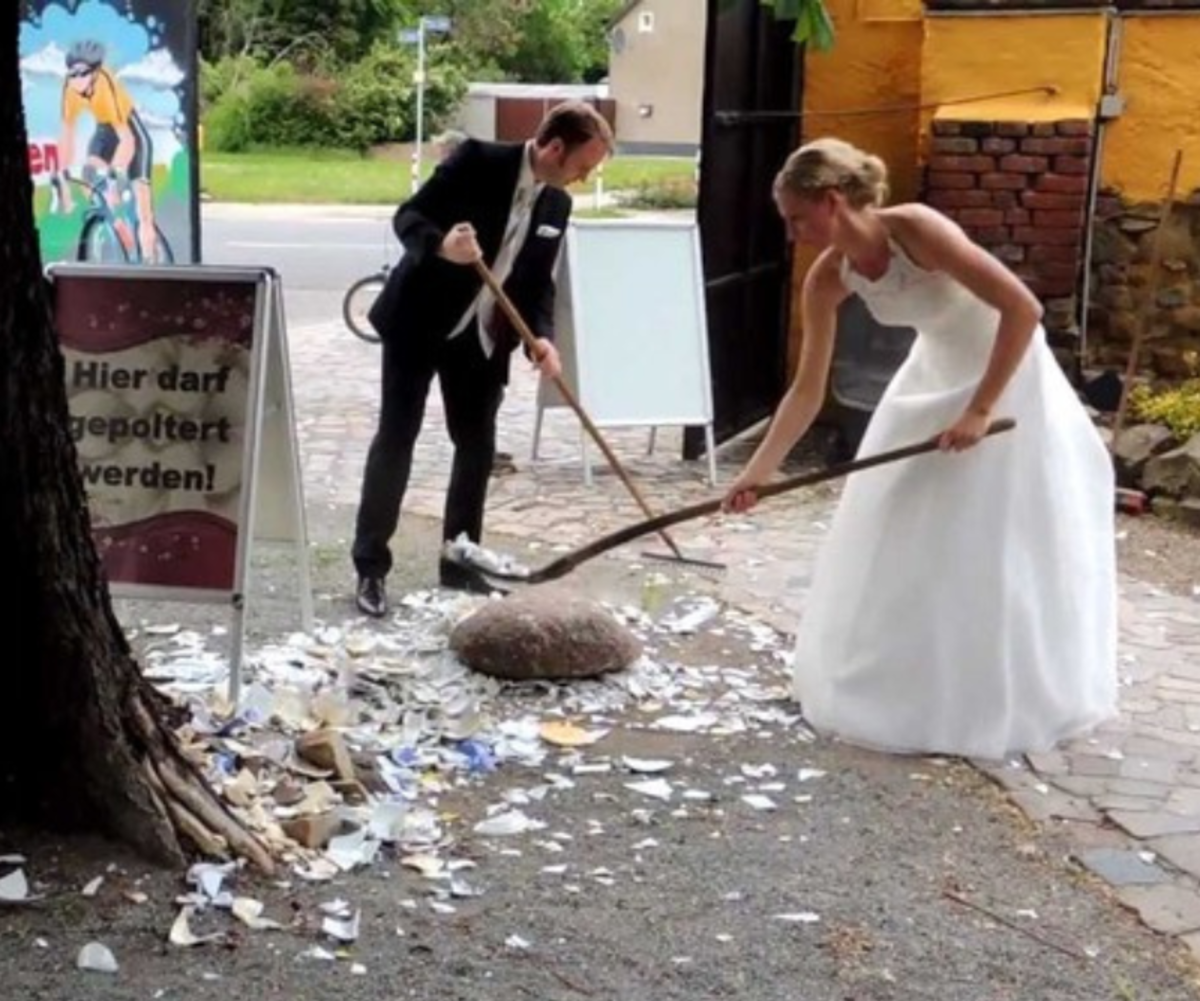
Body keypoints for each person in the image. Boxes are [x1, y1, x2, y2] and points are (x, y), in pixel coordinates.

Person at [723, 137, 1117, 759]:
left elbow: (1023, 308)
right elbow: (805, 390)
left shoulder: (916, 230)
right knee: (898, 519)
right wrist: (757, 474)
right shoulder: (828, 278)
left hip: (1005, 377)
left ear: (832, 201)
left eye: (798, 218)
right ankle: (901, 684)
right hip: (932, 380)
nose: (793, 233)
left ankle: (994, 692)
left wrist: (982, 409)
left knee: (991, 534)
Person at [352, 101, 614, 617]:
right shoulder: (477, 161)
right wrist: (442, 244)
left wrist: (542, 337)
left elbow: (538, 280)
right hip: (420, 321)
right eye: (582, 166)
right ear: (554, 147)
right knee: (396, 437)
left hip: (483, 337)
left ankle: (460, 562)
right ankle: (370, 568)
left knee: (476, 447)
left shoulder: (556, 205)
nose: (583, 178)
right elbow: (408, 217)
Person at [54, 39, 159, 262]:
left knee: (143, 212)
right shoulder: (70, 89)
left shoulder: (105, 85)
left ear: (95, 72)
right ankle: (119, 231)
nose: (76, 79)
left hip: (130, 131)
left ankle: (151, 260)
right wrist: (62, 178)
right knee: (90, 174)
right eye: (72, 74)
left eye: (82, 73)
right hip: (105, 131)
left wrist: (116, 172)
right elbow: (67, 135)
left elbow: (127, 141)